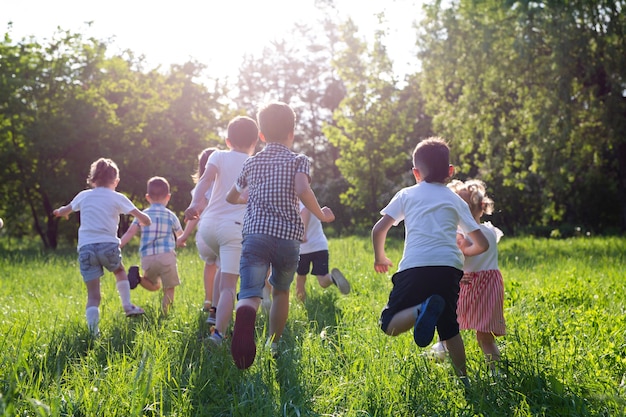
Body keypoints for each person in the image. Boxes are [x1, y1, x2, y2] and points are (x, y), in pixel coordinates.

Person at [226, 101, 335, 369]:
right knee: (281, 292)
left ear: (261, 135)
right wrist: (320, 214)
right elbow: (301, 189)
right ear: (292, 133)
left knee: (250, 292)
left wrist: (246, 200)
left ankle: (245, 316)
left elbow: (232, 196)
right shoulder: (298, 159)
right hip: (288, 238)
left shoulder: (252, 162)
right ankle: (272, 343)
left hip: (255, 235)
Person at [371, 137, 489, 381]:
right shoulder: (456, 200)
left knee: (389, 324)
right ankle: (464, 379)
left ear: (416, 172)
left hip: (414, 268)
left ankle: (419, 310)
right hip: (448, 270)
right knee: (449, 328)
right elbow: (483, 244)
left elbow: (379, 229)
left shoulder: (406, 195)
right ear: (450, 172)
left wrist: (380, 256)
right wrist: (465, 253)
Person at [53, 158, 151, 336]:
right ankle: (127, 305)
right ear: (116, 181)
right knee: (120, 272)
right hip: (108, 246)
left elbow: (65, 209)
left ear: (92, 180)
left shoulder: (83, 195)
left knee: (93, 295)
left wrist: (60, 213)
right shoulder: (117, 197)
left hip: (86, 249)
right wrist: (146, 220)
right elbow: (139, 215)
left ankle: (93, 332)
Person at [185, 116, 259, 346]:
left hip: (208, 227)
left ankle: (213, 311)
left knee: (219, 264)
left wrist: (195, 204)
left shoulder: (217, 155)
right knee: (229, 285)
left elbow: (205, 181)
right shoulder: (255, 163)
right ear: (255, 141)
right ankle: (218, 334)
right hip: (233, 230)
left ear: (228, 141)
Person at [435, 179, 505, 369]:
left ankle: (442, 351)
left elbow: (459, 257)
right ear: (482, 208)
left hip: (466, 283)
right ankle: (496, 372)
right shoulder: (490, 231)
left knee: (449, 323)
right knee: (484, 336)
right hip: (491, 286)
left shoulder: (461, 236)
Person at [120, 176, 183, 316]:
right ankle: (166, 315)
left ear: (148, 197)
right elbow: (180, 235)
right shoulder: (170, 215)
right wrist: (182, 241)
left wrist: (119, 244)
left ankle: (138, 278)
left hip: (148, 257)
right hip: (166, 256)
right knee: (169, 288)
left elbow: (130, 232)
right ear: (168, 197)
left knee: (153, 285)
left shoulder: (142, 215)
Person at [177, 147, 220, 322]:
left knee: (210, 264)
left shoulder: (199, 189)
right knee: (222, 267)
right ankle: (217, 307)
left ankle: (208, 300)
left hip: (204, 236)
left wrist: (184, 235)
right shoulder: (223, 186)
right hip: (220, 231)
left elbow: (195, 215)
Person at [295, 201, 350, 302]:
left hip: (303, 248)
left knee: (300, 278)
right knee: (323, 281)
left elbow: (305, 211)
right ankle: (332, 278)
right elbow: (329, 216)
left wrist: (303, 233)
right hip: (320, 246)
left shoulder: (300, 201)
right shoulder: (312, 201)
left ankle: (301, 304)